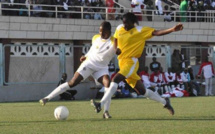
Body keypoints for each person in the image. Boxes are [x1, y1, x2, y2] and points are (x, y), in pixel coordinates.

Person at [91, 12, 183, 116]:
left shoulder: (139, 30)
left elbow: (156, 32)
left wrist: (172, 29)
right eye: (124, 23)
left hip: (131, 62)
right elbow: (116, 38)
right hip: (122, 62)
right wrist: (116, 48)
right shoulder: (120, 28)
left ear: (133, 22)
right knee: (142, 91)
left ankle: (100, 104)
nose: (125, 26)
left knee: (115, 79)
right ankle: (165, 102)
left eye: (128, 24)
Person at [39, 21, 116, 119]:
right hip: (89, 64)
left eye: (103, 32)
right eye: (100, 31)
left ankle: (105, 112)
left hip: (102, 67)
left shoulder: (114, 41)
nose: (101, 34)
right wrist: (85, 56)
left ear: (109, 31)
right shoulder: (96, 38)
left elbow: (118, 50)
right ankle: (47, 98)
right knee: (72, 82)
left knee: (107, 84)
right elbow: (93, 50)